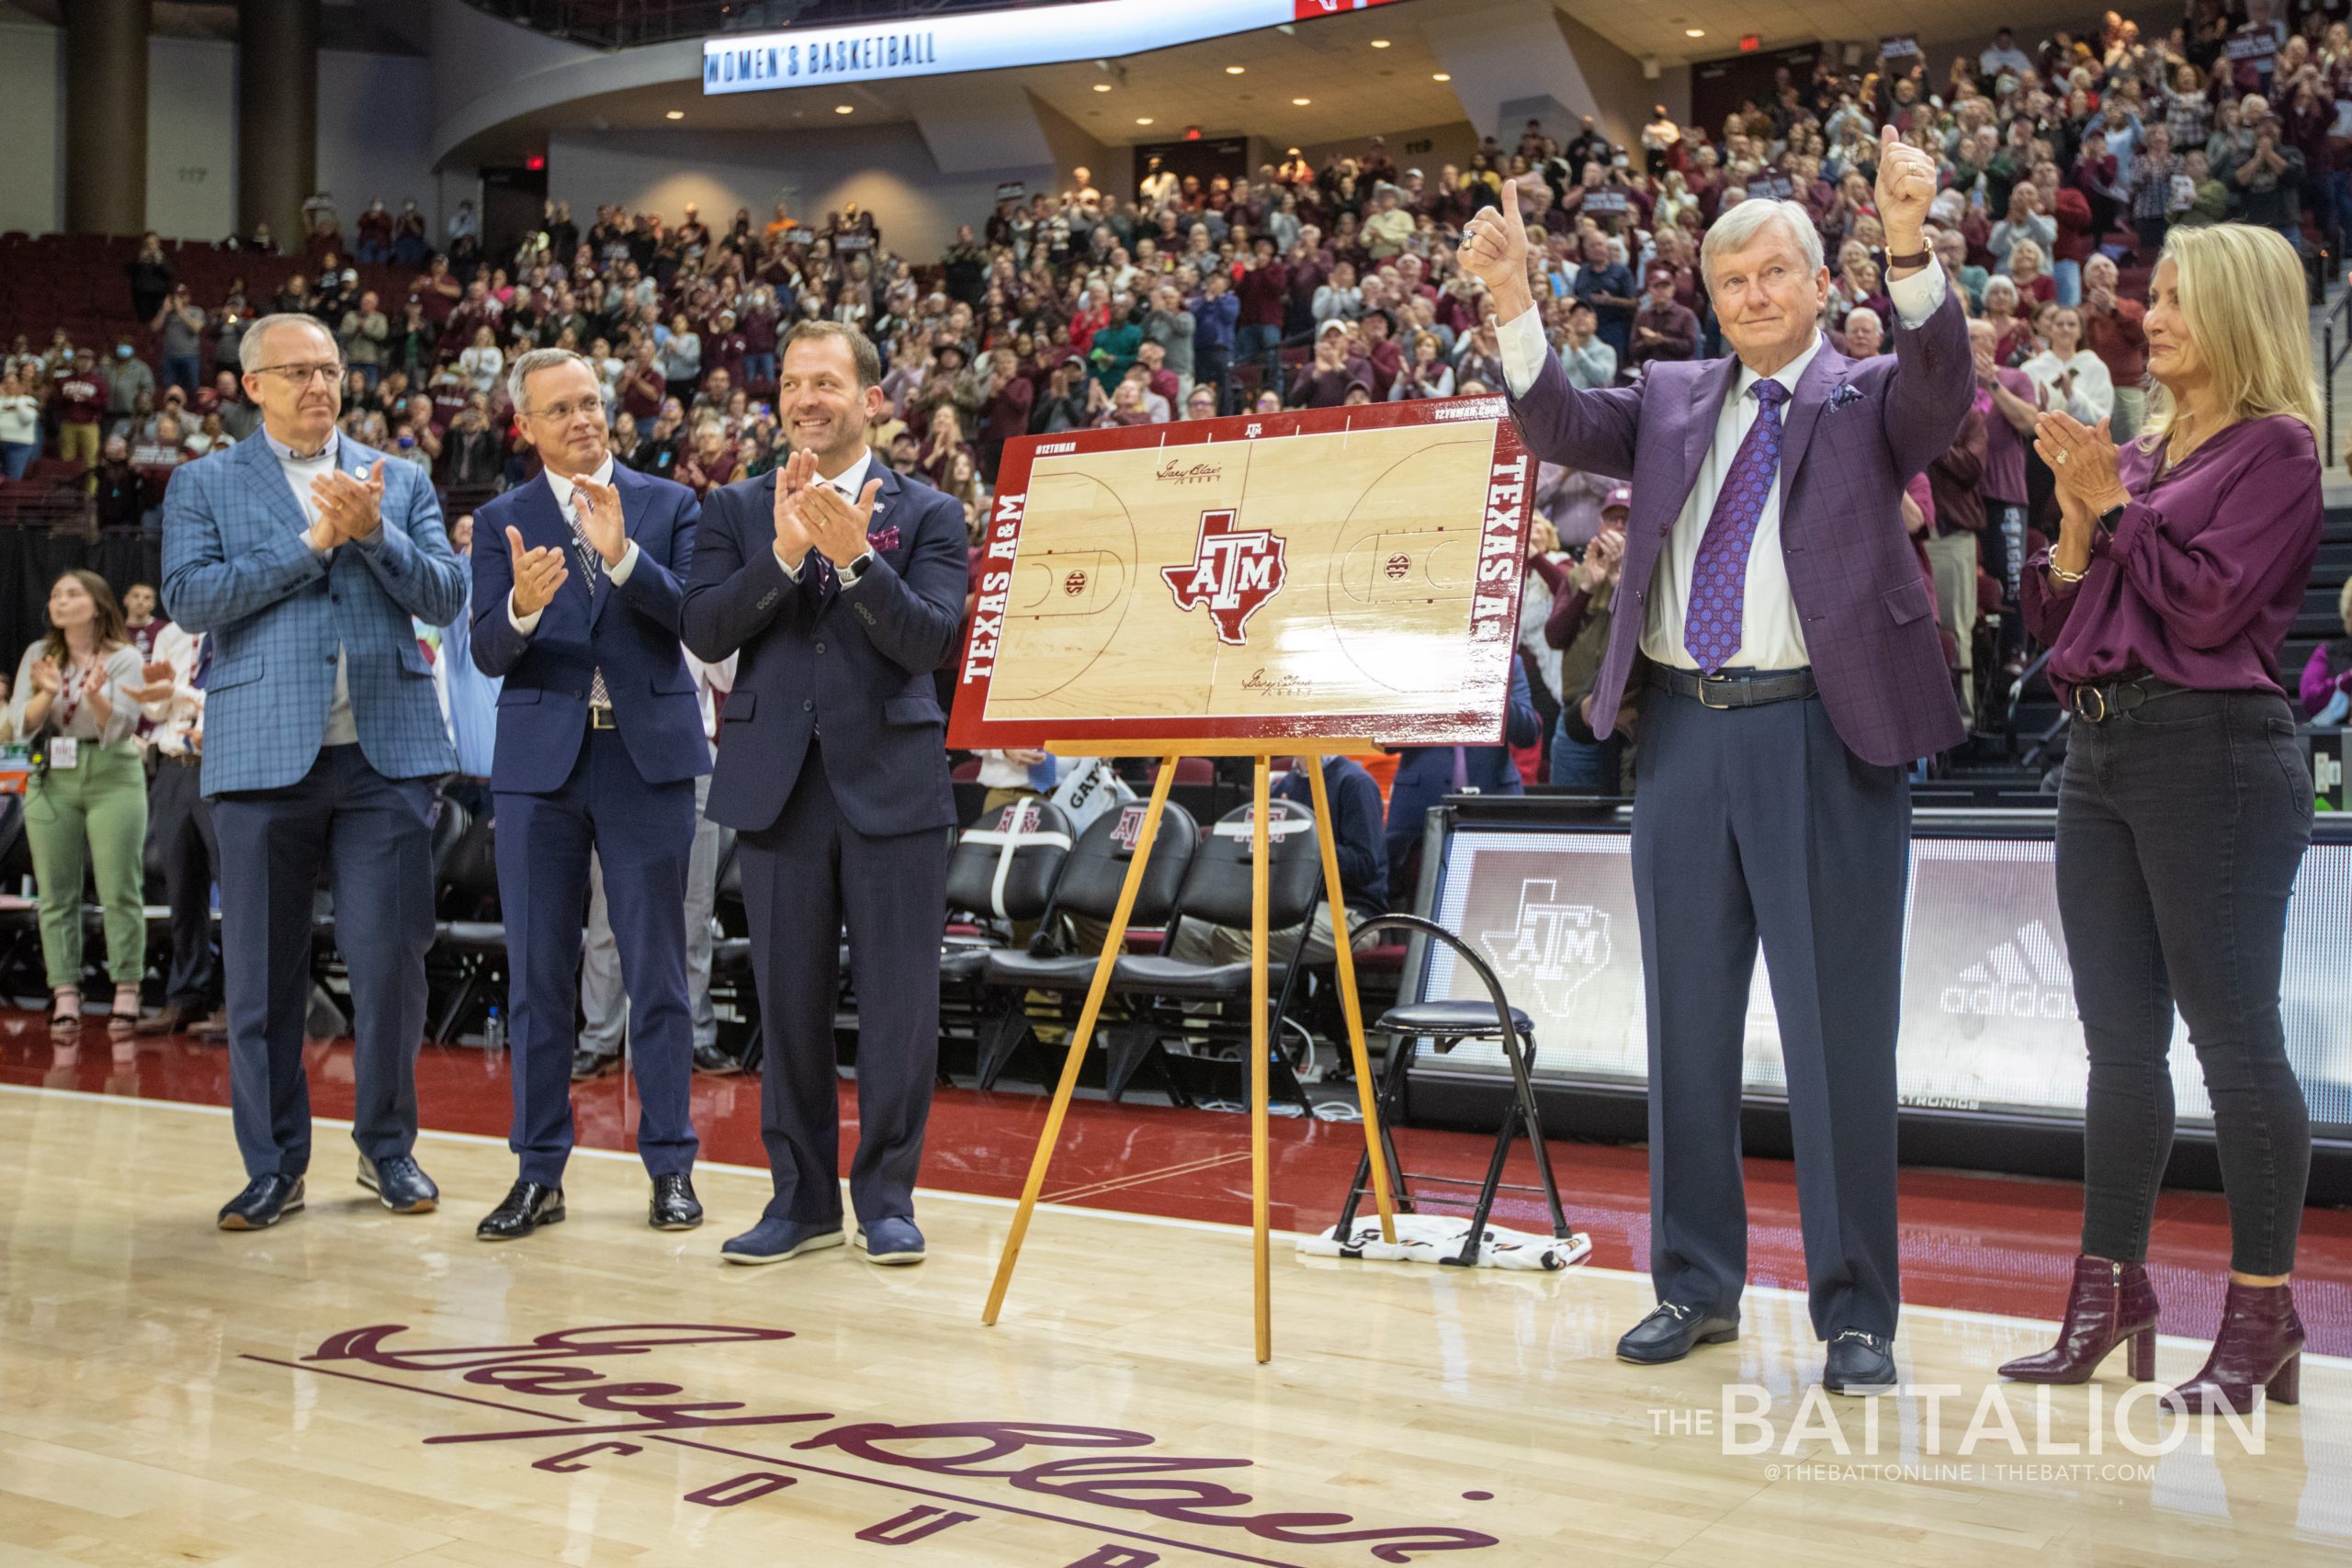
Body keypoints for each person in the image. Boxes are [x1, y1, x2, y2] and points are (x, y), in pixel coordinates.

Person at [1462, 132, 1969, 1393]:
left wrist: (1910, 243)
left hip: (1825, 733)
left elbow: (1944, 390)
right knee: (1685, 1021)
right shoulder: (1677, 395)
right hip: (1683, 730)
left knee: (1836, 1032)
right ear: (1712, 293)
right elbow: (1563, 417)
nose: (1753, 295)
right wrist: (1518, 305)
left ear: (1814, 284)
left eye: (1775, 275)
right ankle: (1696, 1284)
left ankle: (1857, 1312)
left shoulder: (1864, 395)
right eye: (1732, 278)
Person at [2008, 224, 2322, 1415]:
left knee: (2235, 1041)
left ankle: (2263, 1310)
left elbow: (2204, 608)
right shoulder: (2144, 449)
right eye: (2160, 296)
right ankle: (2108, 1296)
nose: (2156, 317)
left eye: (2181, 299)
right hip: (2098, 751)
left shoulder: (2278, 451)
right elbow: (2058, 616)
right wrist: (2079, 516)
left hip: (2213, 755)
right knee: (2119, 1050)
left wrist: (2115, 512)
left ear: (2238, 314)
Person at [160, 312, 469, 1232]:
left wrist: (373, 535)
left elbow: (447, 595)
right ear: (251, 385)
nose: (319, 386)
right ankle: (273, 1168)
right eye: (297, 371)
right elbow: (191, 596)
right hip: (261, 756)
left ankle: (387, 1151)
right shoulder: (201, 483)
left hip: (387, 758)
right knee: (259, 980)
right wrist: (312, 548)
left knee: (389, 967)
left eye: (330, 369)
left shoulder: (400, 478)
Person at [683, 320, 965, 1269]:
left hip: (894, 784)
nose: (807, 398)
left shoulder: (930, 513)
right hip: (776, 789)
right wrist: (783, 552)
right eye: (794, 382)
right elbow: (708, 629)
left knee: (897, 1006)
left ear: (872, 400)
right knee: (788, 1005)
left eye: (828, 383)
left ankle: (887, 1199)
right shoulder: (731, 510)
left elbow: (929, 643)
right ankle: (798, 1202)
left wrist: (852, 560)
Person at [466, 347, 712, 1241]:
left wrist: (623, 561)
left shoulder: (669, 503)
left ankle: (672, 1166)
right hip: (541, 768)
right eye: (559, 408)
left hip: (645, 760)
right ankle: (538, 1173)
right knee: (537, 976)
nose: (581, 418)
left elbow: (694, 615)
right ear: (526, 426)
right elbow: (489, 651)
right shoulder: (502, 518)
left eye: (589, 401)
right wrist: (523, 609)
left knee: (659, 974)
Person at [6, 572, 154, 1038]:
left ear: (97, 605)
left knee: (119, 887)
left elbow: (124, 726)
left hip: (113, 770)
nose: (60, 601)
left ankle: (127, 989)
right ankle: (65, 992)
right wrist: (48, 692)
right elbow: (17, 727)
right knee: (55, 890)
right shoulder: (39, 654)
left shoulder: (125, 657)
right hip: (52, 773)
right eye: (54, 595)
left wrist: (93, 695)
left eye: (72, 594)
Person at [578, 646, 738, 1078]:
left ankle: (696, 1034)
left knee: (694, 907)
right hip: (618, 745)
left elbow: (727, 677)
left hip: (690, 749)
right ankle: (599, 1037)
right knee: (608, 907)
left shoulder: (696, 585)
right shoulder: (609, 583)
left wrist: (701, 615)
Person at [136, 613, 220, 1036]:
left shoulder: (240, 620)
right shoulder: (170, 633)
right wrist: (154, 690)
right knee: (182, 890)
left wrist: (178, 689)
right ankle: (187, 996)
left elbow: (224, 699)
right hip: (173, 766)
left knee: (238, 890)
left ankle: (239, 1001)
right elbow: (156, 708)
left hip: (221, 766)